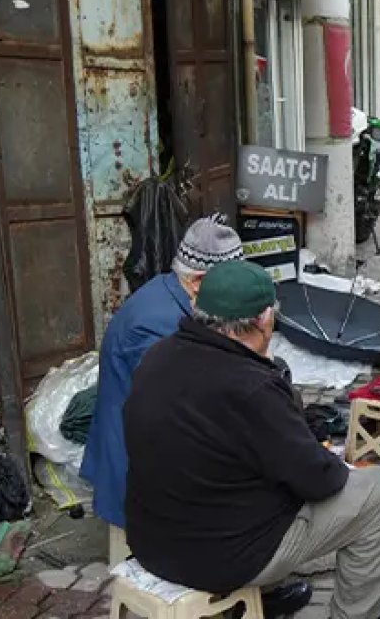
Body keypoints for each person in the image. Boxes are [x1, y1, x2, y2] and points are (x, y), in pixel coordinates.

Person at [124, 260, 380, 619]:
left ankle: (265, 597)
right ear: (263, 319)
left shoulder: (157, 356)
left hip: (153, 542)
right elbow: (319, 479)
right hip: (221, 557)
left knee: (243, 474)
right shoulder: (251, 386)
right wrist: (336, 462)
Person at [82, 215, 242, 548]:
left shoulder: (172, 293)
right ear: (198, 282)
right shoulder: (157, 324)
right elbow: (177, 409)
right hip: (137, 465)